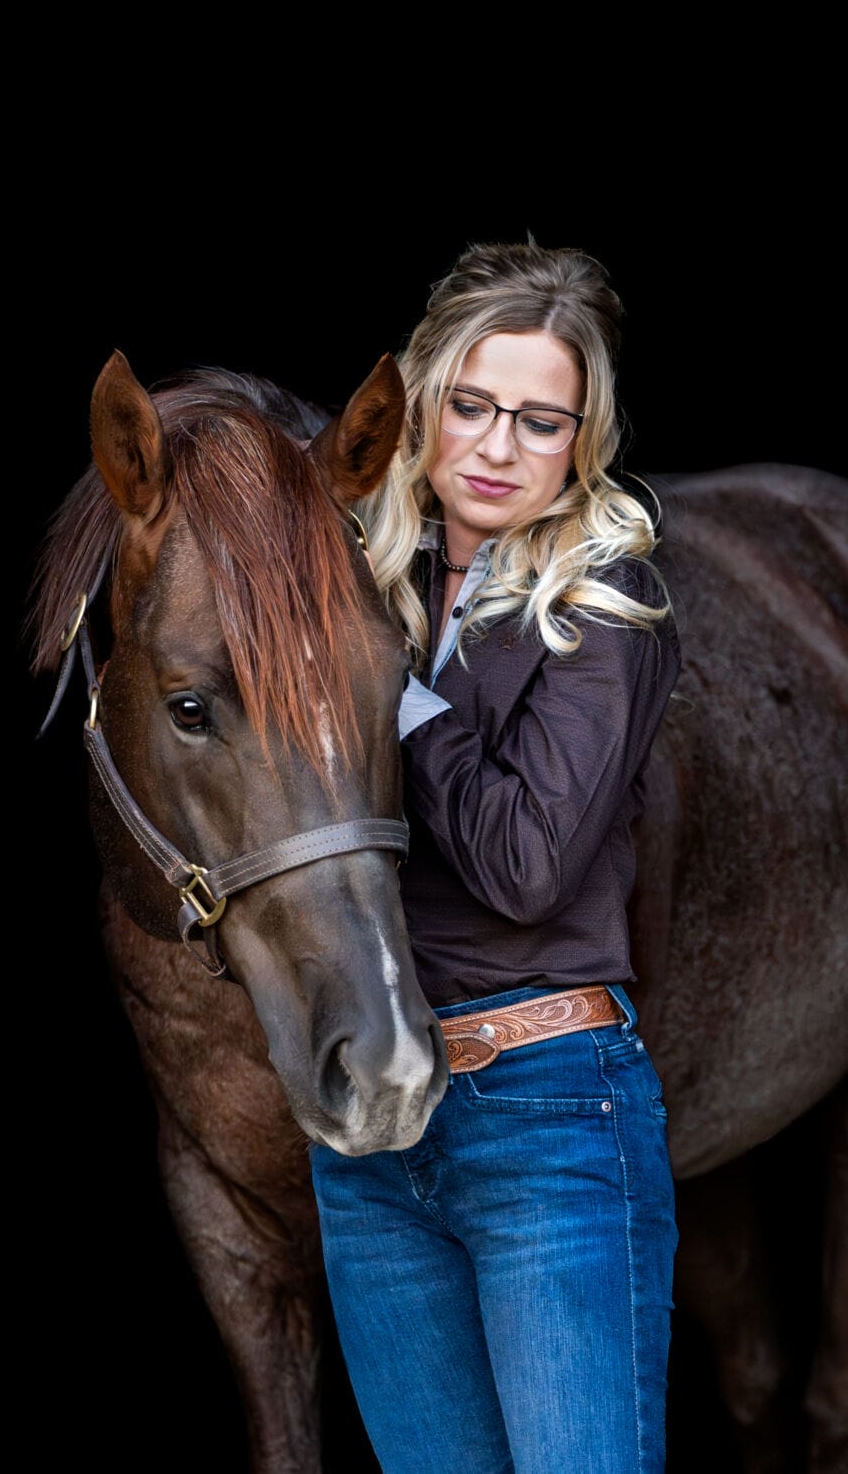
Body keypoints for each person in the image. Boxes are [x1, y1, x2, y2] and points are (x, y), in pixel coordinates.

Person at [309, 240, 682, 1474]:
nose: (495, 447)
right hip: (375, 1136)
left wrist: (392, 698)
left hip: (549, 1113)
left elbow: (525, 865)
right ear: (421, 402)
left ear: (585, 438)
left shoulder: (604, 606)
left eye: (540, 420)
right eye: (469, 405)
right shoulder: (354, 578)